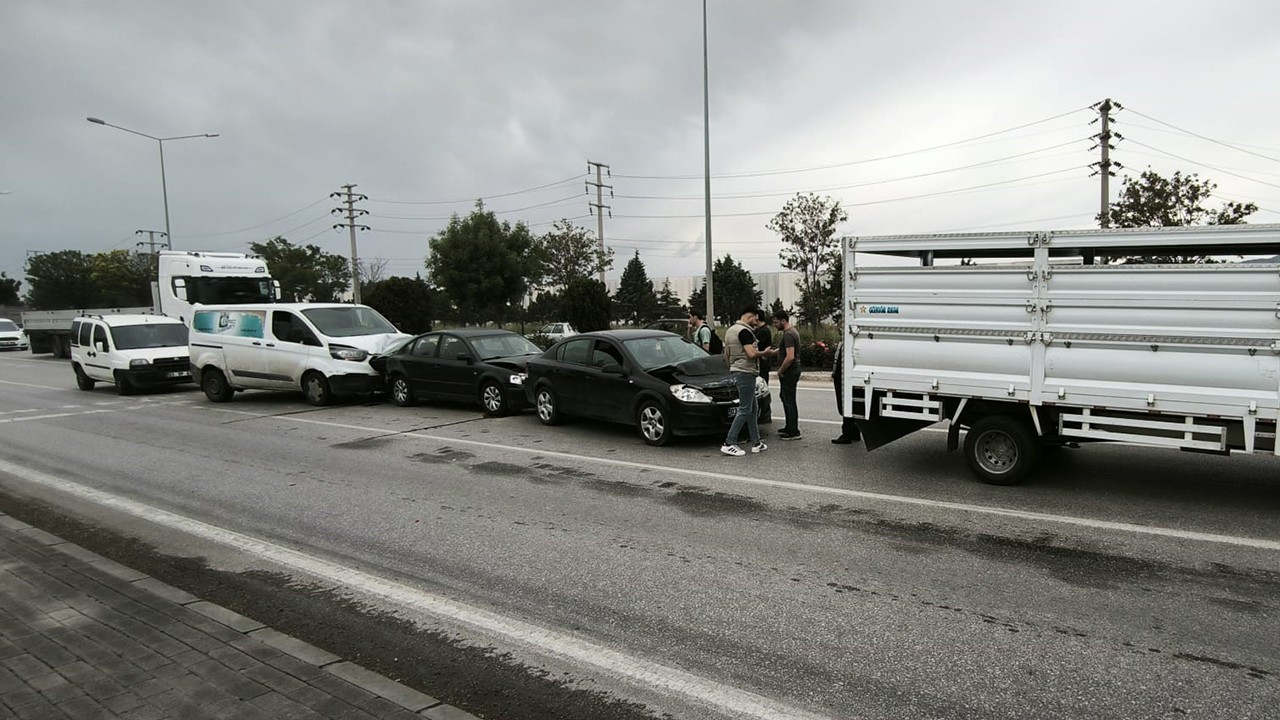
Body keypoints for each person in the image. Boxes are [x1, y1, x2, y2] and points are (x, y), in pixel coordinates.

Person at [720, 306, 768, 457]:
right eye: (755, 318)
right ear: (749, 316)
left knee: (752, 409)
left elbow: (726, 355)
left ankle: (756, 442)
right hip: (746, 372)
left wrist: (732, 368)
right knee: (745, 409)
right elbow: (751, 353)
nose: (756, 321)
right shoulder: (744, 332)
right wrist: (766, 353)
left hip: (737, 370)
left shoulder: (730, 331)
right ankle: (729, 442)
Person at [766, 310, 803, 440]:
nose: (775, 325)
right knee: (785, 397)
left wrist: (780, 370)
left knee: (789, 400)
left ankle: (793, 431)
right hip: (792, 370)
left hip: (790, 371)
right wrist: (771, 353)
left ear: (783, 321)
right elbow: (784, 350)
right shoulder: (791, 332)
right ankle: (789, 426)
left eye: (776, 322)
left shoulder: (788, 334)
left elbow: (790, 356)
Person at [831, 328, 862, 444]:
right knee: (849, 405)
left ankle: (847, 433)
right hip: (841, 378)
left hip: (844, 379)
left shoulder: (848, 344)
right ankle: (854, 431)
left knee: (846, 406)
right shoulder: (845, 343)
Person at [751, 314, 773, 385]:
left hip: (763, 361)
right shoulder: (758, 330)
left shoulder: (763, 331)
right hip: (761, 360)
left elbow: (754, 344)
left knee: (762, 382)